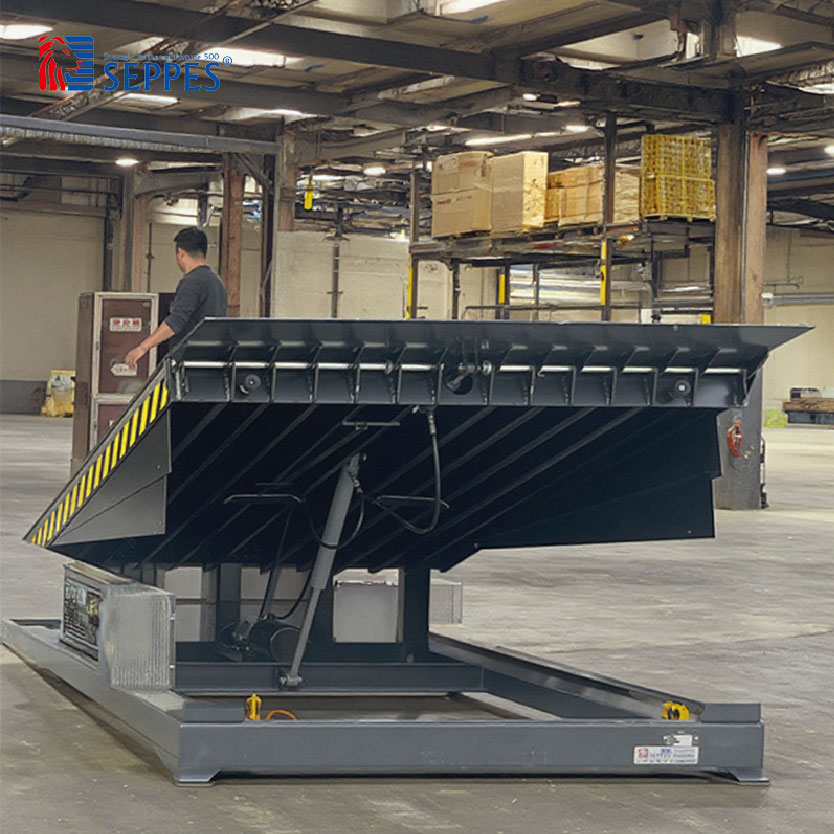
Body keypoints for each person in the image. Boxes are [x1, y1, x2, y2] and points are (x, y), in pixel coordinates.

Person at [126, 227, 227, 370]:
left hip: (190, 363)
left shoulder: (192, 281)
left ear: (181, 253)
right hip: (212, 361)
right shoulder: (217, 282)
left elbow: (176, 321)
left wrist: (143, 347)